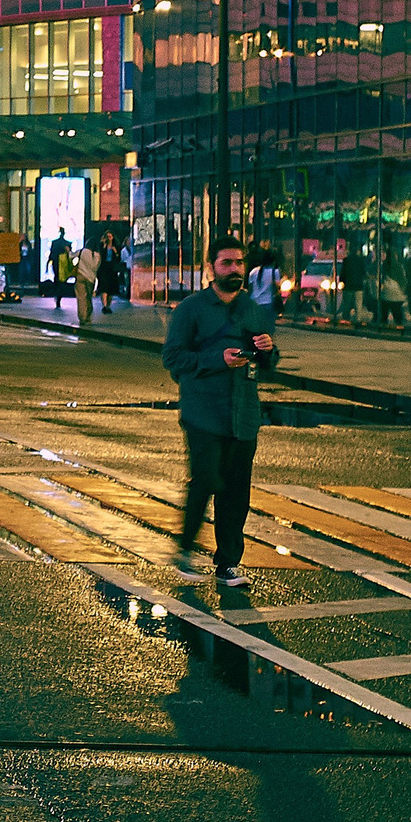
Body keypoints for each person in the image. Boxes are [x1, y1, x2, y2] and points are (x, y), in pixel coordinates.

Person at [164, 235, 279, 591]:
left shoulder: (255, 309)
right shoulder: (191, 309)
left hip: (243, 414)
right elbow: (173, 359)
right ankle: (184, 549)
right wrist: (218, 359)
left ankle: (227, 563)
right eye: (227, 263)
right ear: (211, 268)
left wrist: (268, 351)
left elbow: (269, 364)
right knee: (208, 480)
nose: (234, 270)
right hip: (203, 412)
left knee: (236, 493)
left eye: (239, 263)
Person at [376, 256, 409, 328]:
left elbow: (380, 278)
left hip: (386, 293)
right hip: (397, 294)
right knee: (397, 314)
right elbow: (403, 280)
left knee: (384, 314)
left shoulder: (384, 266)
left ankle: (383, 328)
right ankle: (399, 328)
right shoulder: (399, 266)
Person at [77, 237, 103, 323]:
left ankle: (82, 317)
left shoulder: (82, 251)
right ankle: (88, 315)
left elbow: (71, 255)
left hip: (80, 276)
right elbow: (95, 267)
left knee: (81, 298)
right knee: (88, 297)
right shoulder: (97, 255)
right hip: (91, 279)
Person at [48, 233, 73, 307]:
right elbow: (70, 255)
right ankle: (59, 295)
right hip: (64, 263)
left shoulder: (55, 243)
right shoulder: (67, 243)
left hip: (56, 263)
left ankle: (57, 294)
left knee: (57, 278)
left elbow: (52, 254)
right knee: (63, 280)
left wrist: (49, 261)